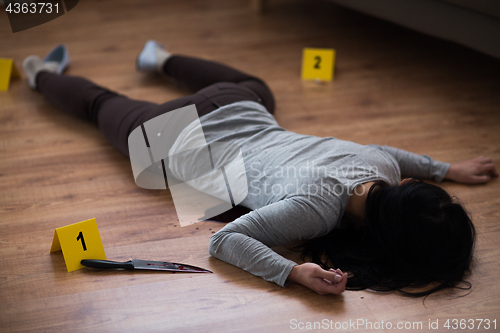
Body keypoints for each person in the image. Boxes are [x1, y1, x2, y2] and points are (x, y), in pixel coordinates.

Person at [23, 42, 498, 296]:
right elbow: (224, 240)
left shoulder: (382, 166)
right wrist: (291, 272)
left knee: (257, 86)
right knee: (100, 105)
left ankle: (162, 57)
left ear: (407, 187)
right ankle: (37, 72)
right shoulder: (315, 212)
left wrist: (447, 167)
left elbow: (395, 152)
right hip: (172, 136)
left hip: (238, 103)